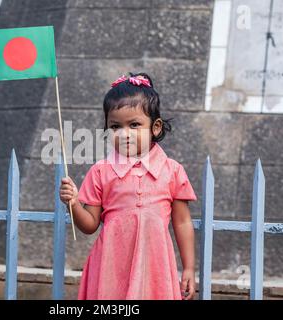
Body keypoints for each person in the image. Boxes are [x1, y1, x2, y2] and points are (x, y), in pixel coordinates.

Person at [59, 73, 197, 300]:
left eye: (134, 125)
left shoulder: (172, 171)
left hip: (155, 268)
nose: (124, 134)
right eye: (115, 126)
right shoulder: (101, 171)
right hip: (111, 268)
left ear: (155, 127)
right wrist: (73, 203)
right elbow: (89, 225)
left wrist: (189, 268)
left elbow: (182, 222)